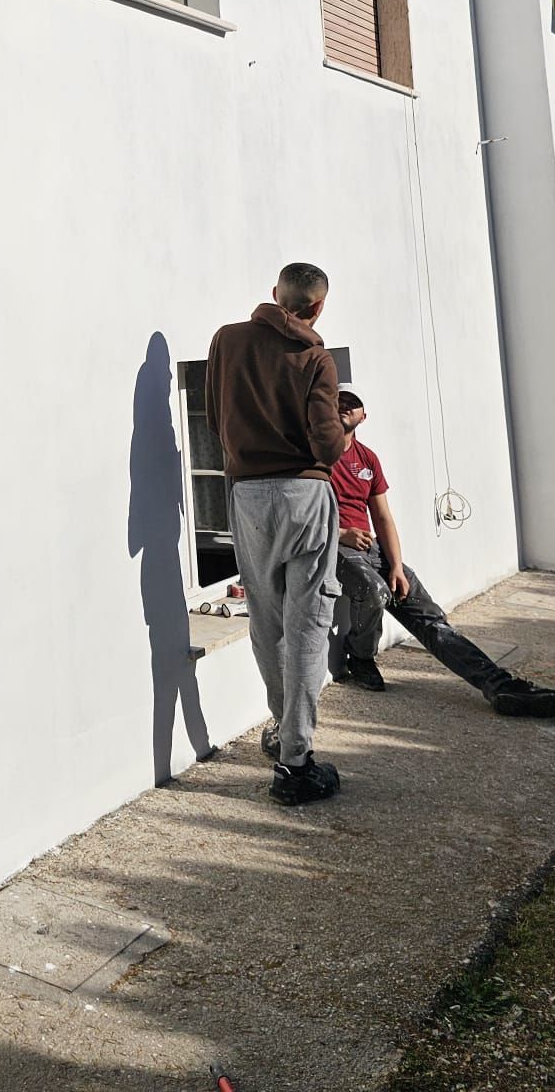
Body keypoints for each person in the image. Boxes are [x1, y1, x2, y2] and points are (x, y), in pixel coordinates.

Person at [330, 391, 555, 718]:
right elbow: (298, 515)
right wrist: (342, 533)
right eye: (338, 400)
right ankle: (359, 656)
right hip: (336, 547)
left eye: (352, 403)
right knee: (374, 591)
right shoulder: (314, 456)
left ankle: (500, 685)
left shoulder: (368, 459)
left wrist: (397, 565)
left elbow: (383, 518)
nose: (344, 405)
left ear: (363, 417)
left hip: (372, 549)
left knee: (434, 624)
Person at [207, 262, 347, 806]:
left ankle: (282, 730)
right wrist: (345, 426)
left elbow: (216, 418)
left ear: (274, 295)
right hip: (304, 494)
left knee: (266, 620)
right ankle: (295, 762)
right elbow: (327, 445)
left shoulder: (227, 340)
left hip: (247, 495)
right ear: (315, 306)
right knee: (309, 623)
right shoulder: (316, 357)